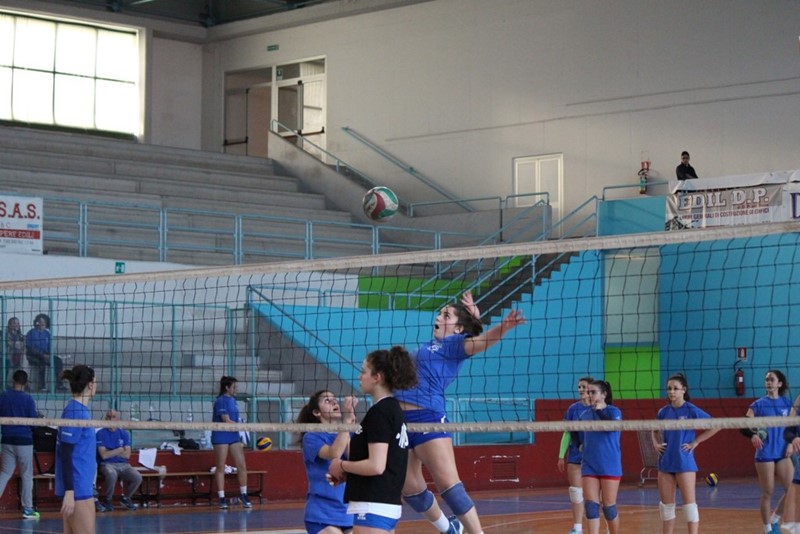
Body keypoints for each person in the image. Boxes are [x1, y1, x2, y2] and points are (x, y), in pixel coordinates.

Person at [396, 291, 525, 534]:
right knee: (411, 490)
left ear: (457, 329)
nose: (438, 317)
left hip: (428, 419)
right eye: (440, 313)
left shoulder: (454, 345)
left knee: (449, 487)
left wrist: (503, 327)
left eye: (446, 315)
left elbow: (481, 341)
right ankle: (450, 529)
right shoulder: (429, 346)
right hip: (401, 422)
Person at [328, 346, 418, 534]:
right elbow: (383, 462)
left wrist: (341, 465)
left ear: (377, 377)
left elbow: (376, 466)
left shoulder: (381, 412)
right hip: (382, 503)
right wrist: (348, 473)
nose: (359, 377)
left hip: (374, 505)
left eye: (363, 372)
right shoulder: (391, 410)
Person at [651, 373, 720, 534]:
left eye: (675, 388)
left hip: (684, 462)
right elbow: (653, 429)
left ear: (684, 390)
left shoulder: (691, 409)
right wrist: (655, 444)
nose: (671, 392)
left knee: (689, 506)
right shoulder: (663, 412)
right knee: (666, 507)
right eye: (669, 388)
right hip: (666, 462)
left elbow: (716, 425)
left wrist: (696, 441)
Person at [297, 390, 358, 534]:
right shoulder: (311, 437)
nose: (334, 402)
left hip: (347, 511)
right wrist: (346, 423)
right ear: (317, 412)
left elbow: (354, 459)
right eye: (327, 400)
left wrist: (349, 421)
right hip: (321, 513)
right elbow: (334, 454)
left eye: (334, 399)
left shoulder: (347, 434)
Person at [743, 369, 794, 534]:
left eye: (772, 379)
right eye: (766, 380)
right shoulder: (758, 404)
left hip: (783, 452)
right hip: (765, 453)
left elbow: (794, 427)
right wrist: (752, 435)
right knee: (768, 492)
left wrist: (791, 442)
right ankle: (767, 529)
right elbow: (743, 425)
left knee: (793, 489)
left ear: (780, 383)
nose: (769, 382)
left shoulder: (787, 404)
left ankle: (775, 518)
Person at [575, 379, 622, 534]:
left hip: (609, 464)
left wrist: (600, 411)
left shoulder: (614, 412)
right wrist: (579, 445)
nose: (589, 395)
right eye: (589, 392)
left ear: (603, 394)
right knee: (590, 506)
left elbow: (611, 427)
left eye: (593, 392)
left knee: (608, 507)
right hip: (589, 464)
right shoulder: (584, 415)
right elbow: (572, 430)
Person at [56, 365, 98, 534]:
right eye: (95, 382)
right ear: (90, 385)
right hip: (77, 489)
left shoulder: (80, 410)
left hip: (82, 486)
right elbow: (65, 453)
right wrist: (69, 492)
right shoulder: (75, 412)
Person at [0, 370, 40, 519]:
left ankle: (28, 509)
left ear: (13, 381)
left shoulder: (3, 396)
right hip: (24, 440)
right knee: (26, 475)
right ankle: (27, 509)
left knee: (5, 473)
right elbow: (34, 422)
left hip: (7, 439)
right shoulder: (28, 399)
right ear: (26, 383)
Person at [557, 376, 594, 534]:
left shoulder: (598, 408)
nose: (580, 390)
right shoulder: (573, 409)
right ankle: (577, 528)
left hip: (594, 457)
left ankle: (604, 526)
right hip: (575, 456)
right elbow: (567, 433)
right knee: (576, 492)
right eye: (579, 387)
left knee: (595, 495)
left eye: (583, 387)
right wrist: (561, 456)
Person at [211, 375, 251, 509]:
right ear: (227, 388)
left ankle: (244, 494)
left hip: (233, 435)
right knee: (220, 467)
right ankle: (221, 497)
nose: (236, 389)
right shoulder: (221, 401)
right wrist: (242, 426)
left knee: (242, 465)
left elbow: (234, 420)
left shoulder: (233, 400)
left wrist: (240, 425)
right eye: (234, 387)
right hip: (221, 434)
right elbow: (226, 420)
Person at [96, 409, 142, 512]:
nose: (110, 419)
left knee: (137, 477)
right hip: (106, 464)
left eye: (113, 417)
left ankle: (126, 498)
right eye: (108, 417)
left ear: (118, 419)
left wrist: (110, 451)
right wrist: (120, 450)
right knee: (112, 474)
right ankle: (108, 500)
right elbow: (103, 455)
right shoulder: (100, 433)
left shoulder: (124, 433)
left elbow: (127, 455)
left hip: (123, 464)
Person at [25, 313, 65, 392]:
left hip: (46, 355)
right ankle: (42, 386)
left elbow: (50, 348)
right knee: (42, 361)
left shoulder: (47, 334)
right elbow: (30, 348)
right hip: (33, 355)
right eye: (40, 322)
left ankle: (59, 384)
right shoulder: (31, 333)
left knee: (58, 360)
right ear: (36, 322)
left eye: (44, 322)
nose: (42, 324)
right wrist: (42, 355)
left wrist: (49, 355)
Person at [5, 317, 27, 386]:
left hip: (19, 354)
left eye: (18, 323)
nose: (16, 325)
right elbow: (10, 344)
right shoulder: (6, 335)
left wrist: (18, 346)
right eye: (14, 323)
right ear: (9, 325)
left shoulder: (20, 335)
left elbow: (23, 346)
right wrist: (18, 345)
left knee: (23, 357)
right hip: (9, 354)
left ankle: (23, 382)